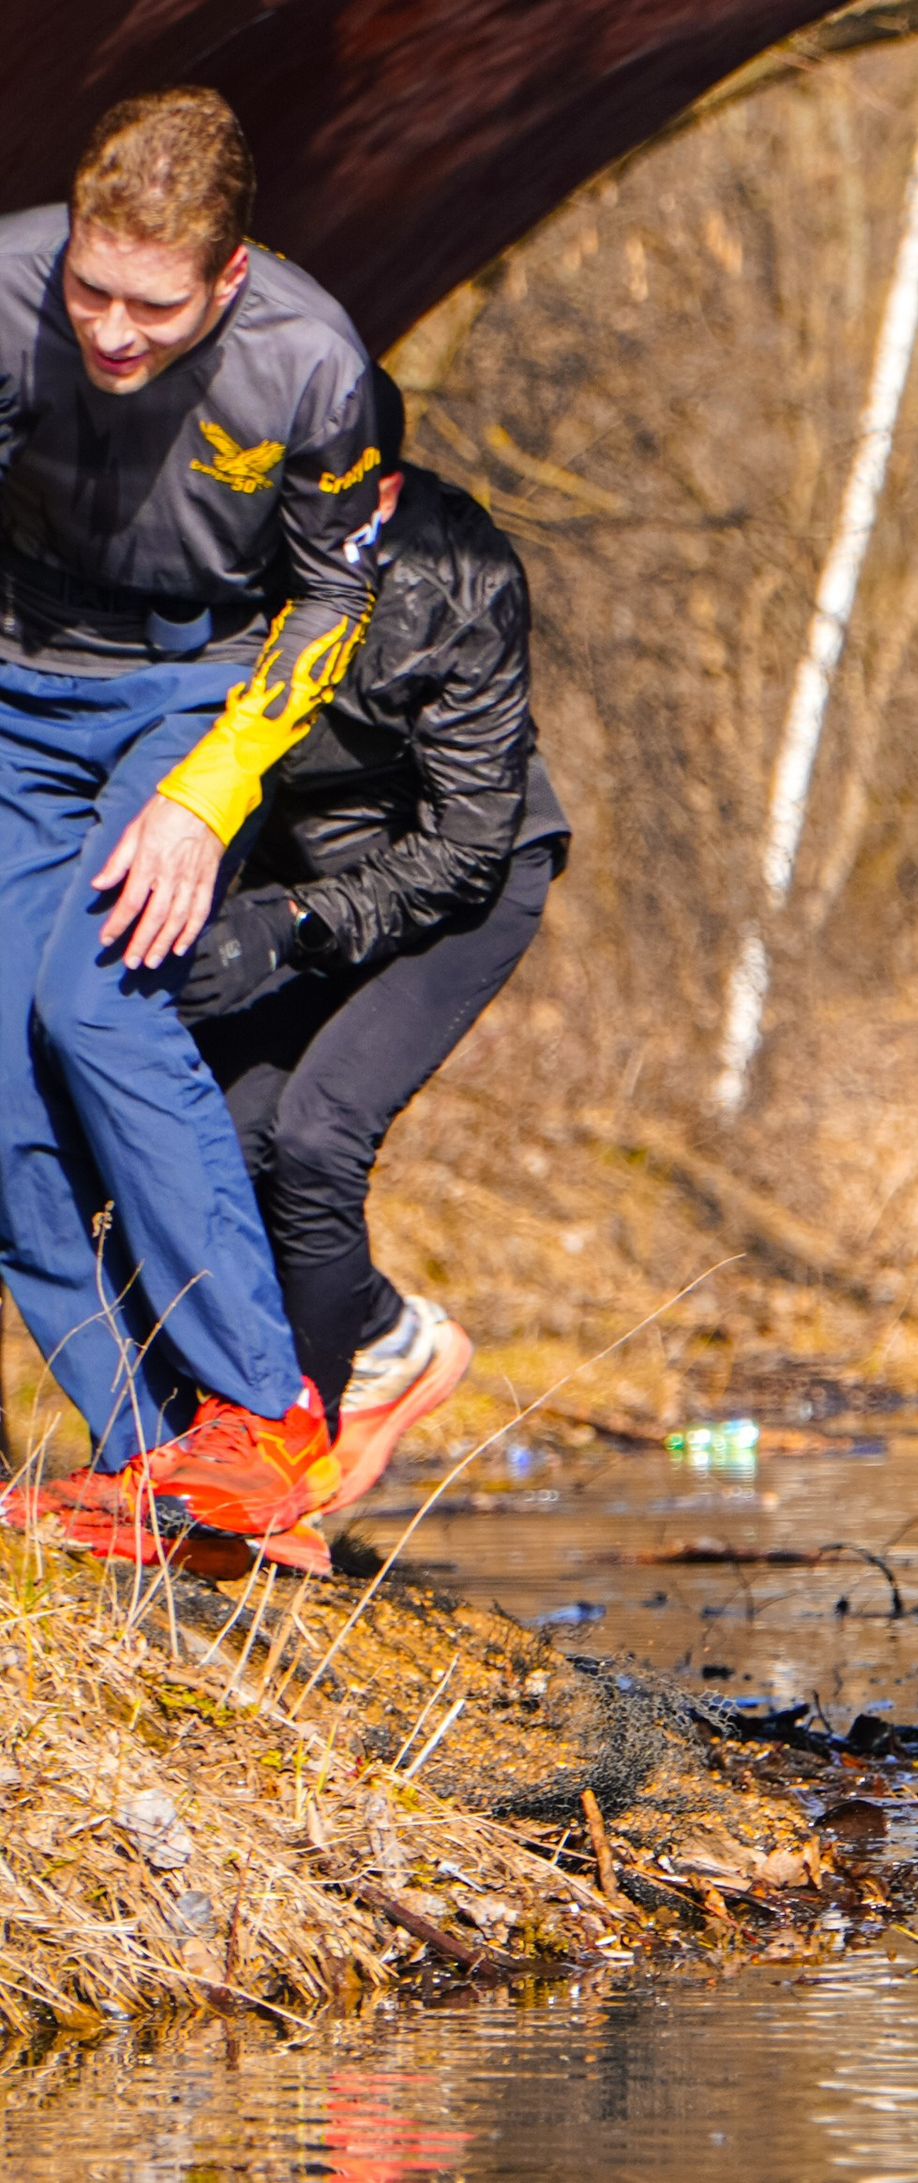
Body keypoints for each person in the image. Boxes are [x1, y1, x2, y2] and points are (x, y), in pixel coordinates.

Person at [0, 90, 381, 1558]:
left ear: (228, 276)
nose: (111, 332)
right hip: (14, 685)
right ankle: (159, 1467)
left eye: (152, 307)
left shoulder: (312, 359)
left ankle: (263, 1421)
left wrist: (205, 798)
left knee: (95, 1004)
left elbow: (335, 598)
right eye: (91, 290)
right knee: (3, 1083)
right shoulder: (11, 294)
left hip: (190, 692)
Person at [178, 374, 569, 1519]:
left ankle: (291, 1452)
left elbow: (465, 843)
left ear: (382, 490)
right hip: (295, 870)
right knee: (215, 1136)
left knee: (315, 1132)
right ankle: (389, 1339)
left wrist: (290, 927)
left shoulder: (462, 573)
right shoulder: (204, 535)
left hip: (465, 881)